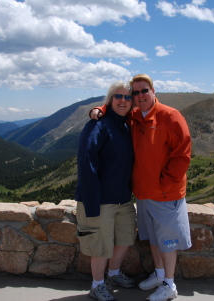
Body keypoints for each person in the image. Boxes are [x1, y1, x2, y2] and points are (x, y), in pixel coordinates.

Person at [90, 74, 192, 301]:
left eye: (144, 90)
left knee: (167, 241)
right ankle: (159, 274)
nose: (139, 96)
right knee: (154, 239)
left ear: (153, 91)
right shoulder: (135, 116)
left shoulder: (170, 116)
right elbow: (114, 106)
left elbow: (182, 154)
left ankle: (169, 284)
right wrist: (99, 109)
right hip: (144, 194)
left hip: (165, 193)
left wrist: (165, 183)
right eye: (135, 93)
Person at [76, 81, 137, 301]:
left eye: (128, 97)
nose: (123, 100)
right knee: (100, 247)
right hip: (99, 200)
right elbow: (87, 163)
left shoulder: (126, 125)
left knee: (126, 238)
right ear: (110, 100)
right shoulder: (97, 125)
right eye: (118, 97)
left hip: (123, 199)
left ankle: (113, 274)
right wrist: (92, 202)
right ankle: (97, 285)